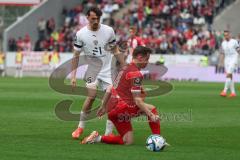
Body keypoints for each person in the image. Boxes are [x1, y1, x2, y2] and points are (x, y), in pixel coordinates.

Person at [81, 46, 163, 145]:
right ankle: (158, 139)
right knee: (152, 109)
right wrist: (151, 115)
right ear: (140, 58)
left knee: (127, 141)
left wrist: (103, 106)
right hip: (122, 108)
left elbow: (110, 88)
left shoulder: (124, 69)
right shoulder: (136, 74)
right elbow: (137, 101)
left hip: (112, 111)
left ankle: (97, 138)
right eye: (147, 59)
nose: (147, 62)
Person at [71, 6, 126, 139]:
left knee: (113, 101)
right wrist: (73, 76)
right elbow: (76, 55)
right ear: (87, 18)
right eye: (93, 18)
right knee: (91, 96)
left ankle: (108, 133)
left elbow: (115, 50)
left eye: (98, 18)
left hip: (108, 71)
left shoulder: (108, 31)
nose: (96, 21)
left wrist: (124, 65)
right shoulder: (81, 34)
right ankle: (80, 127)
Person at [220, 30, 240, 97]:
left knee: (228, 74)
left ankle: (224, 91)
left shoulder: (234, 41)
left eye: (227, 35)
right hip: (227, 59)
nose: (226, 36)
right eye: (225, 35)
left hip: (234, 58)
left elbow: (238, 50)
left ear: (229, 35)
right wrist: (221, 62)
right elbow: (222, 53)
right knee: (230, 75)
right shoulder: (223, 43)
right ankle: (233, 93)